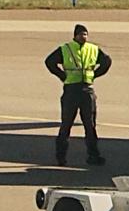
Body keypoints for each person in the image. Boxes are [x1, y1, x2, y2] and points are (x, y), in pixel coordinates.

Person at [45, 23, 112, 166]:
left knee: (90, 125)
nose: (84, 37)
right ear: (75, 36)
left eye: (86, 34)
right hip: (71, 90)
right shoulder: (66, 48)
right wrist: (62, 76)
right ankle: (61, 157)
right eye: (81, 34)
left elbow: (107, 61)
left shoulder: (93, 49)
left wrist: (95, 75)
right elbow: (49, 62)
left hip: (87, 89)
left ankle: (93, 156)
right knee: (66, 125)